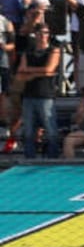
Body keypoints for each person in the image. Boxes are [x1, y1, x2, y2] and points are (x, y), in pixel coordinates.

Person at [13, 23, 59, 158]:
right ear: (36, 35)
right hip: (28, 94)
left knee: (50, 128)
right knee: (28, 129)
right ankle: (30, 156)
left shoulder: (53, 50)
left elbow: (49, 69)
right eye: (40, 33)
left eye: (45, 33)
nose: (43, 36)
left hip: (46, 95)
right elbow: (20, 72)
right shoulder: (28, 51)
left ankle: (52, 156)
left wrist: (30, 73)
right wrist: (38, 73)